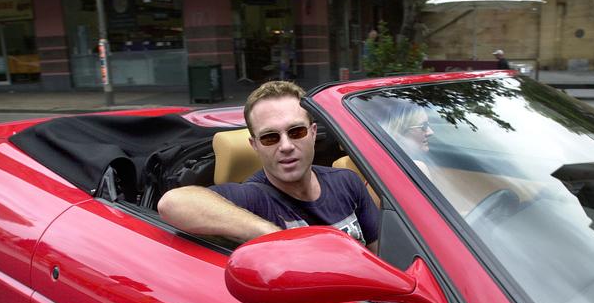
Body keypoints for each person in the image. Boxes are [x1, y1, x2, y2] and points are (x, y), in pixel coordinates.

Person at [157, 81, 379, 252]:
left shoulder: (348, 182)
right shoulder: (252, 198)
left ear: (312, 133)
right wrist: (274, 234)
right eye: (270, 138)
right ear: (255, 145)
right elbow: (172, 203)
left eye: (296, 132)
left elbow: (382, 255)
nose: (286, 146)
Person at [385, 102, 434, 177]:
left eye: (428, 124)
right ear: (401, 132)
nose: (431, 132)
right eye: (424, 126)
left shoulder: (386, 161)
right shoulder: (418, 168)